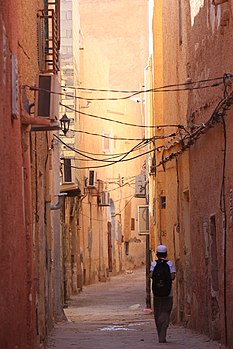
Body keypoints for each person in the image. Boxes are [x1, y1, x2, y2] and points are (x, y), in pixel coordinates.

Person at [150, 244, 176, 343]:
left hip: (157, 293)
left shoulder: (154, 264)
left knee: (157, 312)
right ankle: (163, 334)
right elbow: (173, 276)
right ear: (166, 254)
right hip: (168, 293)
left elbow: (151, 275)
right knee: (166, 311)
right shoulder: (169, 264)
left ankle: (159, 332)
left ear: (156, 254)